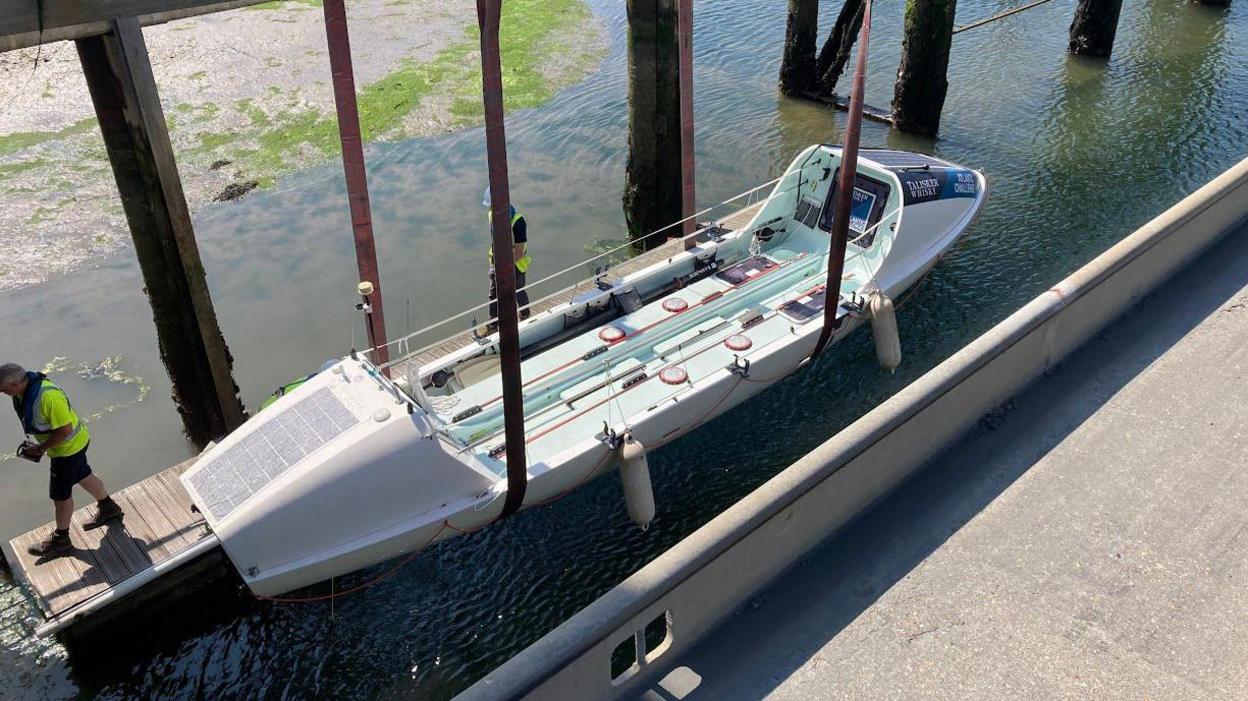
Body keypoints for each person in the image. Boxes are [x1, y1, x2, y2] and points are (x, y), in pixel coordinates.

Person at [0, 363, 122, 556]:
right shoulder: (23, 392)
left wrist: (40, 449)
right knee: (83, 474)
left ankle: (61, 539)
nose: (2, 393)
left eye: (3, 389)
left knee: (61, 496)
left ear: (15, 384)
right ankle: (109, 507)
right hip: (73, 443)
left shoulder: (48, 397)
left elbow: (64, 431)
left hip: (67, 450)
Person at [482, 186, 532, 334]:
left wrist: (506, 267)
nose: (490, 208)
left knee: (517, 290)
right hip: (496, 261)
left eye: (492, 205)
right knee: (493, 294)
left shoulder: (518, 222)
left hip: (515, 264)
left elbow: (519, 252)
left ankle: (525, 315)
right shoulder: (492, 214)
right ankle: (493, 324)